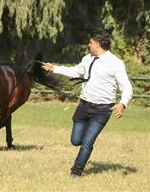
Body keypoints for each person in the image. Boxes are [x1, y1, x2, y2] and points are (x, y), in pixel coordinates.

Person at [42, 29, 133, 177]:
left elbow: (127, 87)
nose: (88, 44)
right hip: (83, 106)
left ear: (97, 44)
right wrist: (54, 68)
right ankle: (83, 144)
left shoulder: (116, 63)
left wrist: (122, 104)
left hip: (102, 110)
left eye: (90, 42)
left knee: (87, 143)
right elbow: (75, 71)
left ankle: (76, 172)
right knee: (76, 140)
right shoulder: (87, 58)